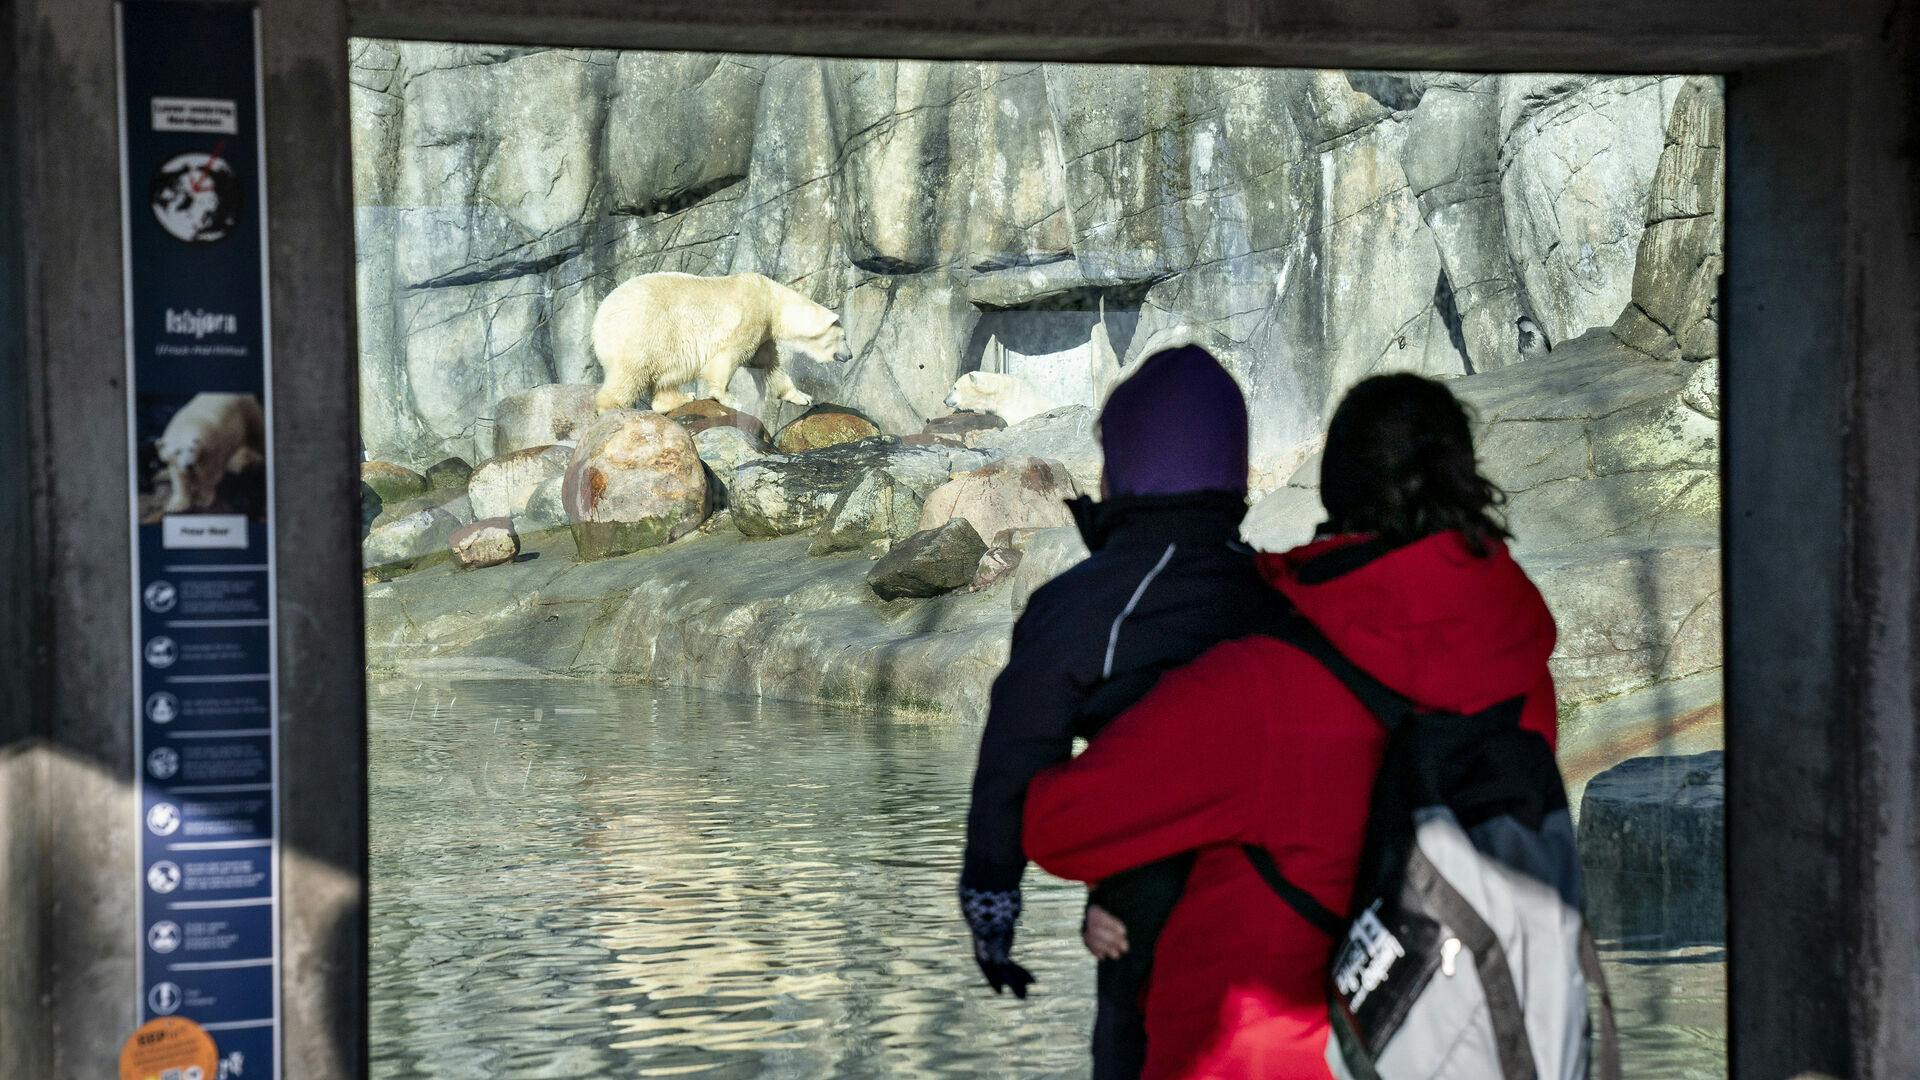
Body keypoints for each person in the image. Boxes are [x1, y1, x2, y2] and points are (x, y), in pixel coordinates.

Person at [1022, 372, 1561, 1080]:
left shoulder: (1263, 685)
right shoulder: (1520, 676)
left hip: (1269, 1057)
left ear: (1332, 486)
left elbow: (1056, 826)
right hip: (1458, 1043)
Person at [958, 344, 1292, 1079]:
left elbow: (1016, 759)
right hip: (1283, 926)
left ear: (1128, 469)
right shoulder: (1281, 599)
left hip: (1143, 924)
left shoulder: (1085, 609)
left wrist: (992, 906)